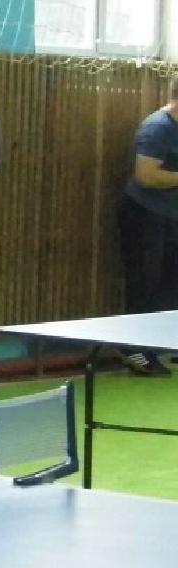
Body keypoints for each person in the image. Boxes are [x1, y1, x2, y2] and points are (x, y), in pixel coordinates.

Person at [115, 77, 178, 376]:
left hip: (172, 217)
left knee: (170, 283)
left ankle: (166, 344)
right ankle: (133, 349)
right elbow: (147, 175)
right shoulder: (157, 128)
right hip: (145, 215)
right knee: (145, 283)